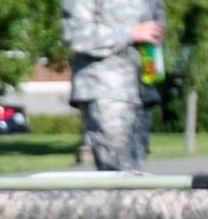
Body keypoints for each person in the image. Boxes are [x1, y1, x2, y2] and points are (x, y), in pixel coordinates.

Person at [62, 0, 165, 171]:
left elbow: (155, 25)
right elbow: (75, 34)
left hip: (142, 90)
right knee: (117, 171)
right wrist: (131, 33)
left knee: (135, 173)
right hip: (106, 91)